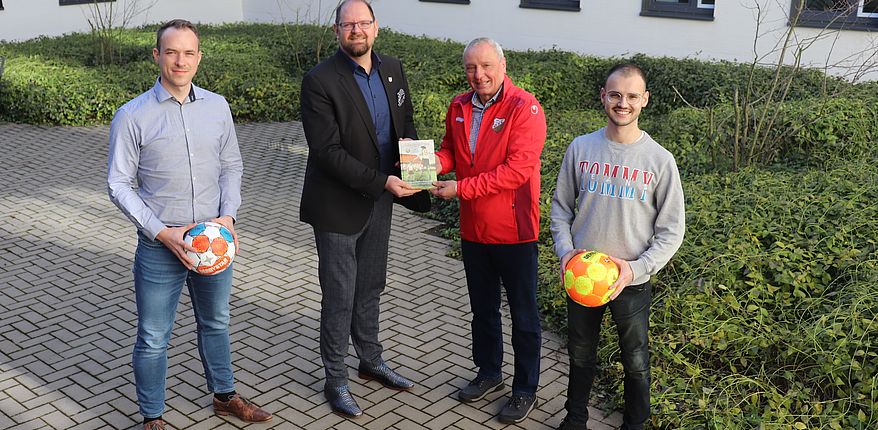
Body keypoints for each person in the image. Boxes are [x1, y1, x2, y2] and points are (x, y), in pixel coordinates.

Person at [107, 19, 272, 430]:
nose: (180, 61)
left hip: (213, 241)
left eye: (188, 53)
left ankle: (224, 396)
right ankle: (152, 416)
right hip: (160, 245)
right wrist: (161, 232)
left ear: (199, 58)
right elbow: (118, 184)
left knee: (216, 322)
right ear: (157, 56)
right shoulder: (132, 115)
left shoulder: (217, 107)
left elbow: (232, 166)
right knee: (153, 337)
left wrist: (228, 217)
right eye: (171, 52)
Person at [298, 0, 430, 419]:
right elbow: (327, 152)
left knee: (371, 286)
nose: (356, 30)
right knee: (340, 295)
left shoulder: (393, 68)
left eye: (363, 23)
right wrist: (382, 181)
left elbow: (405, 124)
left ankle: (370, 360)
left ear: (376, 27)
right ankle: (335, 378)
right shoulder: (319, 80)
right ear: (336, 31)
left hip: (381, 201)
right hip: (337, 205)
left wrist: (419, 171)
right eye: (348, 24)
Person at [549, 63, 685, 430]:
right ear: (603, 97)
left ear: (645, 100)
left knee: (635, 360)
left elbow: (672, 231)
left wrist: (637, 268)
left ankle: (635, 424)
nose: (622, 103)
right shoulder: (581, 148)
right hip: (582, 276)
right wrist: (565, 251)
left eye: (631, 96)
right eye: (615, 95)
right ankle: (575, 420)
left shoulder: (660, 160)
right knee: (580, 354)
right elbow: (560, 208)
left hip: (631, 281)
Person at [431, 37, 546, 424]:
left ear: (503, 65)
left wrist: (460, 188)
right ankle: (489, 372)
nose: (478, 75)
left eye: (486, 66)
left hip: (515, 232)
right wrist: (431, 162)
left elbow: (516, 171)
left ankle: (525, 389)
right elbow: (451, 150)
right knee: (483, 310)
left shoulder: (525, 108)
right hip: (474, 229)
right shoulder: (459, 105)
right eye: (470, 67)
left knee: (524, 316)